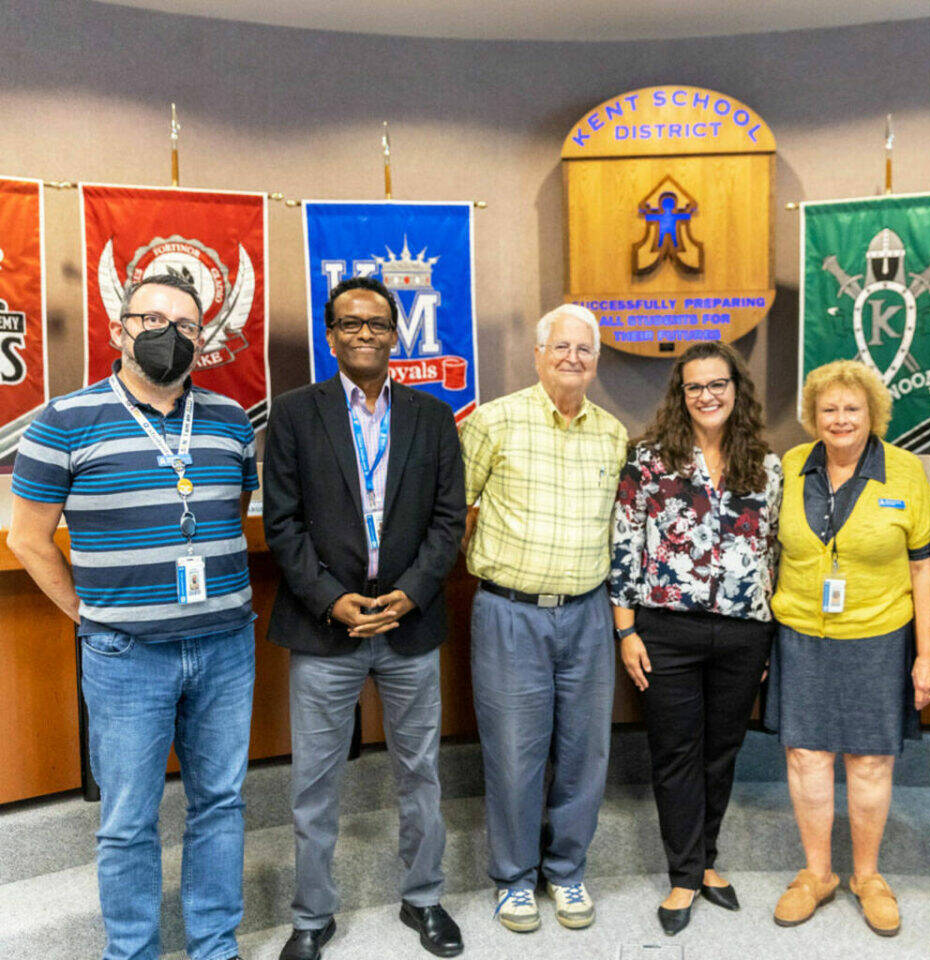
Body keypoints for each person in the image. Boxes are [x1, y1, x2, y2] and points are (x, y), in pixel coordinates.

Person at [8, 274, 258, 960]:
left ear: (201, 341)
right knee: (125, 822)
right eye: (151, 318)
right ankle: (133, 953)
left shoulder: (232, 420)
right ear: (119, 327)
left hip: (226, 646)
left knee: (221, 804)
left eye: (184, 325)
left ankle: (214, 945)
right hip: (125, 656)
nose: (167, 334)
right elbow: (27, 538)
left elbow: (228, 515)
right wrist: (88, 612)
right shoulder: (62, 419)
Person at [263, 276, 466, 960]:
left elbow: (446, 520)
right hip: (326, 628)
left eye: (377, 323)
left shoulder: (434, 417)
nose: (364, 334)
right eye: (349, 324)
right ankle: (312, 916)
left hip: (408, 623)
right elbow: (283, 524)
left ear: (394, 333)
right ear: (331, 335)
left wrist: (409, 593)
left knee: (419, 772)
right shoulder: (294, 415)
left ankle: (425, 899)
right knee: (316, 781)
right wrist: (330, 598)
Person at [458, 303, 627, 933]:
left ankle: (567, 870)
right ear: (538, 355)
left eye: (585, 349)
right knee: (514, 751)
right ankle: (513, 879)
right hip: (511, 614)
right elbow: (456, 511)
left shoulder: (612, 433)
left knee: (586, 750)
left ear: (596, 359)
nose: (573, 358)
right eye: (562, 347)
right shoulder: (493, 422)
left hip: (586, 614)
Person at [609, 341, 781, 936]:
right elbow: (626, 545)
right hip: (666, 631)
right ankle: (684, 873)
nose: (708, 396)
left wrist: (766, 632)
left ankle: (707, 860)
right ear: (680, 396)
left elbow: (774, 552)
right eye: (695, 387)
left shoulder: (766, 462)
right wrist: (626, 630)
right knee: (677, 752)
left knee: (721, 750)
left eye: (718, 384)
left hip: (743, 633)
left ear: (738, 389)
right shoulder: (650, 460)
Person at [765, 359, 930, 938]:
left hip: (878, 636)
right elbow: (771, 553)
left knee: (869, 760)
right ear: (813, 417)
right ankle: (817, 874)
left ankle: (867, 876)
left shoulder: (905, 473)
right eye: (829, 410)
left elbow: (923, 572)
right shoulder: (792, 466)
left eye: (852, 409)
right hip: (801, 637)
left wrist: (928, 654)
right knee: (806, 757)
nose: (840, 419)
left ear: (873, 415)